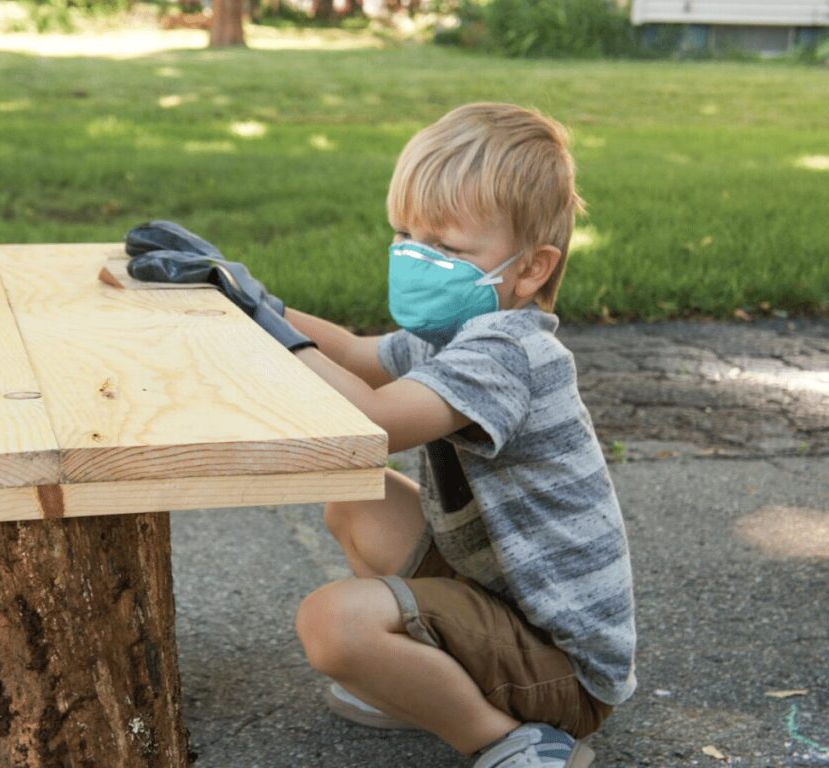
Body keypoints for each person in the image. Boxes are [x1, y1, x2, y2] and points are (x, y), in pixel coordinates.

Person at [123, 101, 636, 768]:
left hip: (561, 667)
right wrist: (245, 296)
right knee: (359, 503)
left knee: (332, 625)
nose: (420, 259)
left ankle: (513, 742)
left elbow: (375, 416)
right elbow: (358, 355)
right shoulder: (459, 333)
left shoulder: (508, 353)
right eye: (408, 236)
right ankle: (426, 684)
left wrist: (267, 324)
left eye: (448, 248)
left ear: (531, 269)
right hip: (510, 608)